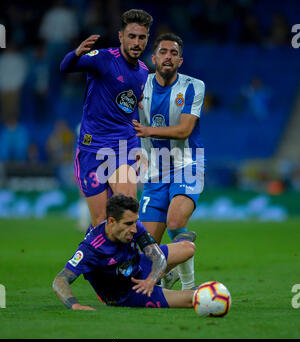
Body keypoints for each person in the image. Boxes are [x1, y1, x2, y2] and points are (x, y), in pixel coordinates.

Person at [59, 9, 153, 230]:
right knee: (101, 221)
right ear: (121, 37)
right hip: (93, 147)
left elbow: (129, 98)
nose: (136, 42)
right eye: (132, 36)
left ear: (147, 39)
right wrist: (75, 54)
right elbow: (65, 67)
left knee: (127, 211)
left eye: (142, 37)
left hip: (124, 146)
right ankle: (93, 261)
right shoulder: (103, 59)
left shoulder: (143, 71)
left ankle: (127, 263)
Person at [133, 33, 205, 290]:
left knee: (175, 222)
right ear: (153, 58)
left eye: (173, 53)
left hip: (187, 164)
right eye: (163, 52)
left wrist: (148, 130)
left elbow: (184, 130)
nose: (168, 57)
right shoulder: (140, 85)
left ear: (180, 60)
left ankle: (190, 288)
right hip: (155, 170)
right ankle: (167, 273)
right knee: (146, 248)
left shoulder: (194, 86)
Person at [52, 194, 197, 310]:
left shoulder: (134, 225)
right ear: (111, 221)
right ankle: (175, 283)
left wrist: (152, 279)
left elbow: (157, 257)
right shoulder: (91, 248)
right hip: (128, 293)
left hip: (138, 267)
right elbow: (60, 281)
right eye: (128, 224)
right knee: (194, 299)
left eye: (135, 222)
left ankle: (165, 276)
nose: (135, 229)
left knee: (189, 248)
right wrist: (74, 305)